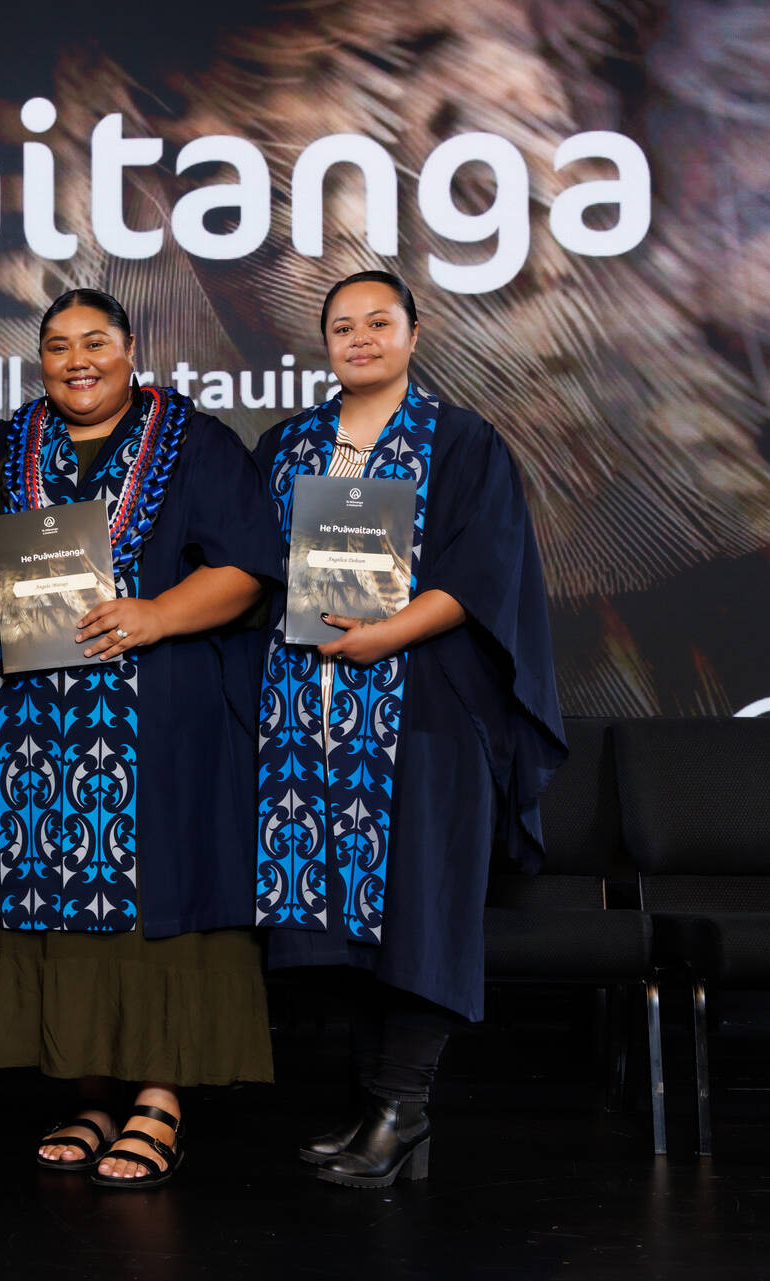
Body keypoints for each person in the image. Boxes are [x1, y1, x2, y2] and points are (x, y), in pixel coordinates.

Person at [0, 287, 281, 1188]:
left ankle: (159, 1098)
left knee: (157, 905)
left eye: (96, 342)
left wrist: (157, 614)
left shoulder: (197, 444)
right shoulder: (1, 449)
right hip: (28, 737)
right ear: (39, 361)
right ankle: (88, 1091)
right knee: (53, 915)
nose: (77, 360)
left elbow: (250, 566)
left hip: (158, 723)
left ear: (131, 350)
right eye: (58, 346)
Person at [253, 270, 565, 1188]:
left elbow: (485, 571)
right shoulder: (287, 445)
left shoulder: (462, 441)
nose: (360, 338)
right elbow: (254, 569)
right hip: (308, 719)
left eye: (378, 322)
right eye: (342, 326)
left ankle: (402, 1111)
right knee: (347, 919)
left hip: (425, 706)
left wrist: (386, 634)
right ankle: (374, 1112)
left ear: (414, 334)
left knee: (419, 905)